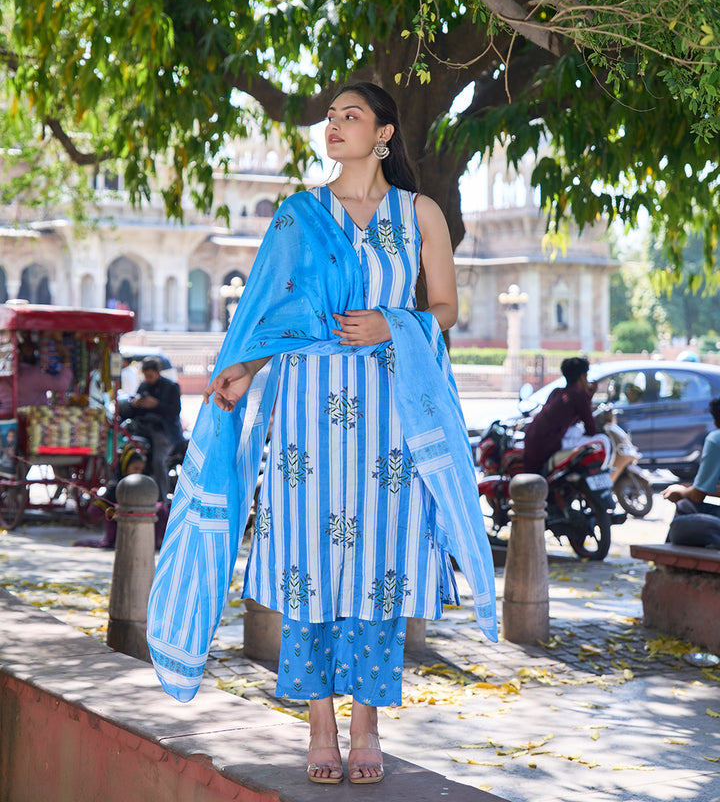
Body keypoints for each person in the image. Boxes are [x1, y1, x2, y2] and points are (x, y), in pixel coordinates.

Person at [146, 82, 497, 785]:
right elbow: (273, 314)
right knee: (310, 568)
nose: (334, 126)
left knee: (380, 569)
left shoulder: (418, 213)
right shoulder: (299, 217)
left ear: (385, 133)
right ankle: (320, 726)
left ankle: (366, 724)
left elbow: (447, 307)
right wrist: (240, 370)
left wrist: (394, 323)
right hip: (307, 415)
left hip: (391, 414)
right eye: (331, 116)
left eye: (351, 116)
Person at [523, 356, 612, 475]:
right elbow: (591, 430)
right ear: (582, 377)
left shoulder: (557, 392)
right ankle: (601, 474)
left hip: (533, 440)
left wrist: (588, 396)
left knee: (576, 431)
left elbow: (570, 420)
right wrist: (587, 396)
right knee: (603, 440)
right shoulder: (579, 395)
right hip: (550, 443)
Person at [662, 397, 720, 546]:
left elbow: (697, 496)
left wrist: (681, 491)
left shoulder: (716, 439)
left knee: (685, 506)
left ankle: (667, 563)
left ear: (715, 422)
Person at [127, 357, 182, 501]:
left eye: (150, 376)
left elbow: (175, 411)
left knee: (159, 461)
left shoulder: (171, 387)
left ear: (158, 372)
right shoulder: (143, 386)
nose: (148, 379)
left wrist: (156, 405)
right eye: (146, 376)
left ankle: (162, 499)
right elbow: (135, 411)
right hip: (143, 429)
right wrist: (136, 404)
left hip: (164, 431)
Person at [17, 336, 74, 407]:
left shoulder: (19, 372)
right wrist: (66, 356)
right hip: (34, 414)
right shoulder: (33, 375)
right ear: (19, 354)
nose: (33, 352)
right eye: (28, 350)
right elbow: (63, 385)